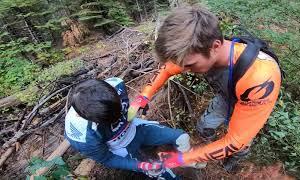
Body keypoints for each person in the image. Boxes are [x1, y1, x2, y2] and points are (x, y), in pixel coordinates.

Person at [128, 6, 282, 172]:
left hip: (251, 99)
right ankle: (212, 146)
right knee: (204, 126)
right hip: (227, 95)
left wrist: (182, 158)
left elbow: (236, 140)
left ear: (215, 46)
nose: (183, 69)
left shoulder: (260, 77)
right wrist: (143, 97)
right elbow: (167, 68)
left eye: (189, 65)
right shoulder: (197, 53)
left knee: (241, 144)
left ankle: (232, 161)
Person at [64, 78, 195, 179]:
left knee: (182, 137)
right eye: (110, 119)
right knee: (162, 173)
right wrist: (141, 166)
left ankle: (188, 161)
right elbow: (107, 158)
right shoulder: (82, 135)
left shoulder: (116, 85)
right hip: (121, 148)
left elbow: (133, 105)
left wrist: (140, 104)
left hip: (136, 128)